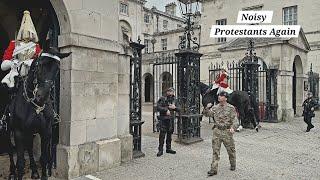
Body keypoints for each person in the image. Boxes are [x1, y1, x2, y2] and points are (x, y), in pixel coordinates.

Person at [1, 10, 41, 89]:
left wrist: (30, 62)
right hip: (16, 74)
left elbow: (40, 62)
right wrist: (11, 63)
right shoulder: (14, 44)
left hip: (31, 75)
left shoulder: (36, 46)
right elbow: (3, 65)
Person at [203, 91, 237, 176]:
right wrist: (206, 108)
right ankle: (213, 169)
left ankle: (233, 164)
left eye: (221, 96)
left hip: (227, 132)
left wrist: (233, 127)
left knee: (231, 150)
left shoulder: (231, 108)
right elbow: (208, 115)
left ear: (225, 98)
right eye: (219, 95)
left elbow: (235, 120)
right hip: (217, 131)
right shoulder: (215, 107)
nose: (219, 97)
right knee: (215, 151)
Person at [156, 87, 179, 157]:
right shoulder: (162, 98)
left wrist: (175, 108)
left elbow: (180, 109)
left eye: (172, 91)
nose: (170, 93)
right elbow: (158, 107)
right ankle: (160, 149)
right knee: (162, 135)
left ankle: (168, 148)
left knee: (169, 135)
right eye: (169, 91)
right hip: (163, 119)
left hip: (171, 120)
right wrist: (166, 110)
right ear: (167, 92)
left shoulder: (175, 100)